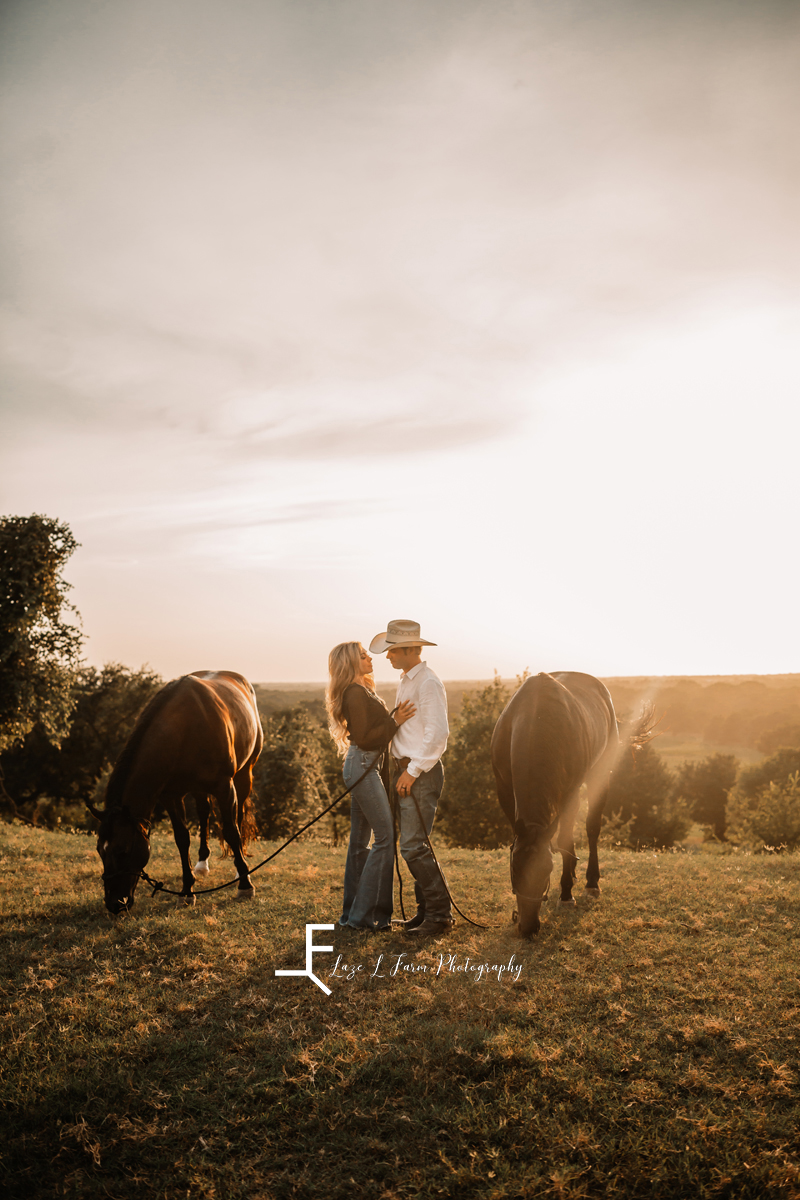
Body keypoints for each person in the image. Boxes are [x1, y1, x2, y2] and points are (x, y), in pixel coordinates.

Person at [368, 619, 451, 937]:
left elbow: (437, 734)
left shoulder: (427, 682)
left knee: (413, 846)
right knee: (415, 845)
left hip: (418, 773)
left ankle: (440, 916)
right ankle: (426, 912)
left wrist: (412, 772)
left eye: (391, 651)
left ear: (407, 650)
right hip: (406, 769)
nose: (387, 657)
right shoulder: (408, 680)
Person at [325, 641, 416, 932]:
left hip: (364, 766)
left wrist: (392, 719)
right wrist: (396, 721)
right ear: (351, 662)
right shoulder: (354, 692)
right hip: (363, 766)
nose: (370, 658)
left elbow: (366, 732)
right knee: (385, 837)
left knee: (359, 843)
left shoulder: (360, 689)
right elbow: (364, 737)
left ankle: (354, 914)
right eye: (363, 656)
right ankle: (363, 917)